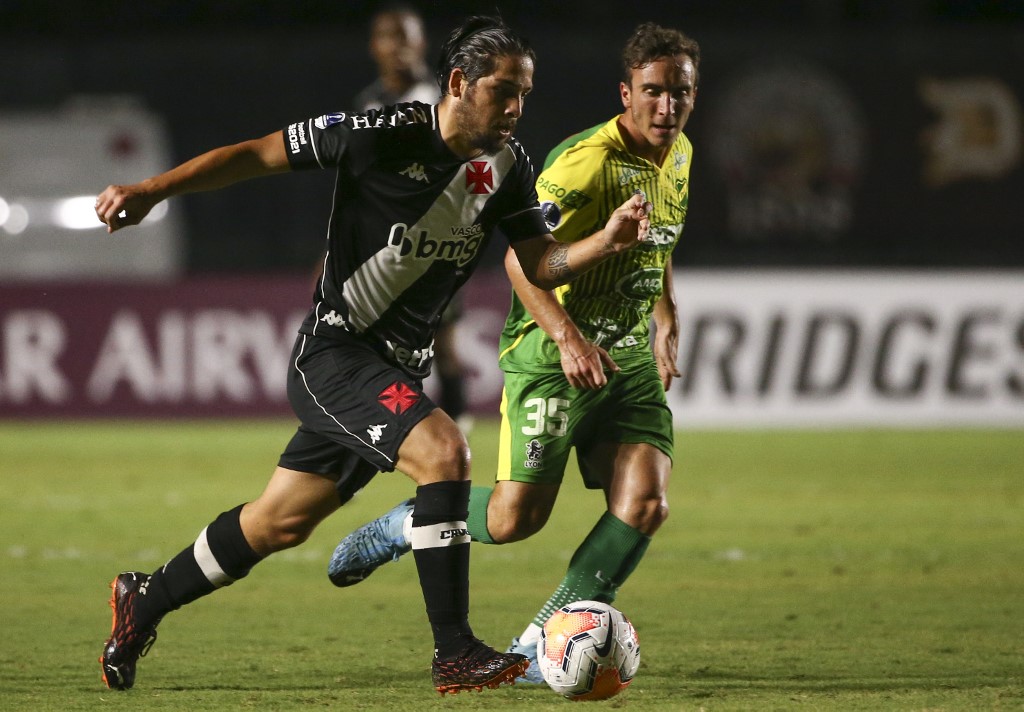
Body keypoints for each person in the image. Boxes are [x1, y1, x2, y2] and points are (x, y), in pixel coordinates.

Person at [93, 14, 653, 696]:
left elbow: (539, 262)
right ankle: (455, 651)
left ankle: (144, 598)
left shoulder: (508, 166)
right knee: (445, 451)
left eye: (524, 94)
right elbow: (257, 154)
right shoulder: (379, 134)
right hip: (337, 352)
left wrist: (604, 243)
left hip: (395, 366)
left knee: (278, 521)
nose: (515, 108)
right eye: (503, 91)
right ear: (459, 83)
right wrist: (150, 191)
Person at [327, 21, 699, 682]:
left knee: (646, 503)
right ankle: (411, 522)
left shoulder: (681, 153)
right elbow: (521, 262)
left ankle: (539, 645)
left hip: (627, 361)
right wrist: (568, 338)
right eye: (654, 91)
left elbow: (658, 238)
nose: (667, 106)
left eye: (681, 93)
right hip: (553, 359)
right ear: (626, 93)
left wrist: (665, 314)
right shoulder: (584, 163)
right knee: (513, 519)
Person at [353, 3, 472, 433]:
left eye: (406, 36)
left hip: (431, 243)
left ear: (421, 42)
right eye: (390, 37)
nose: (398, 47)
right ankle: (398, 430)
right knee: (381, 350)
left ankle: (456, 431)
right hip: (379, 247)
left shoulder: (440, 99)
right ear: (375, 46)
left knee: (442, 345)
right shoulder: (368, 103)